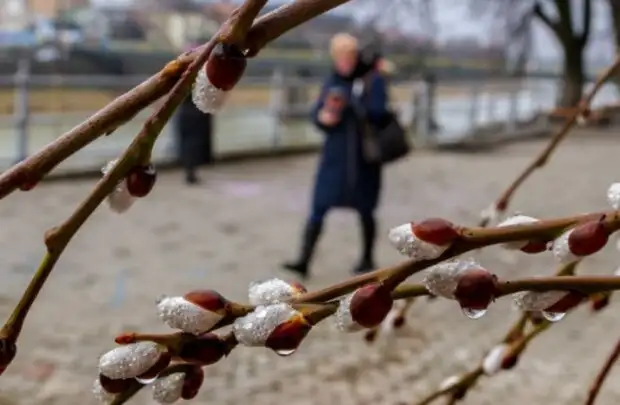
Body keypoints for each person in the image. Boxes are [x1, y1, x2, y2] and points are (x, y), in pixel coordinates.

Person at [282, 33, 390, 279]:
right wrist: (323, 118)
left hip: (364, 158)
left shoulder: (373, 79)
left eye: (349, 55)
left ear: (356, 56)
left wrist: (352, 103)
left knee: (366, 209)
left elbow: (380, 114)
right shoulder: (331, 81)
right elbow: (317, 113)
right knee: (319, 206)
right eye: (340, 56)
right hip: (334, 156)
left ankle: (367, 258)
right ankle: (303, 260)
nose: (345, 61)